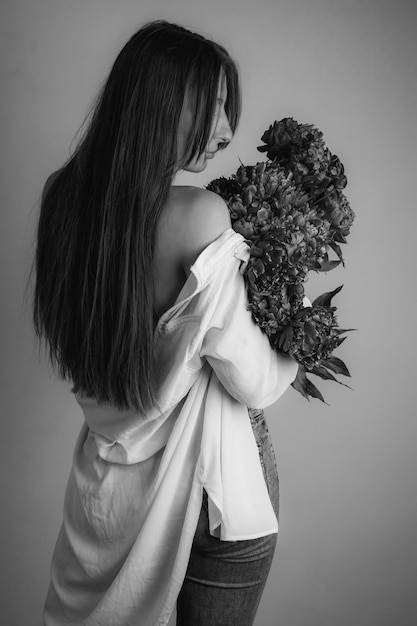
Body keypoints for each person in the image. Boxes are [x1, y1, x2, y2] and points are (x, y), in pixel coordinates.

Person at [33, 20, 298, 626]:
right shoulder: (201, 215)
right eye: (212, 107)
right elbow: (257, 383)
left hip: (107, 499)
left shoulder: (60, 203)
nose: (227, 131)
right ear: (157, 105)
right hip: (215, 489)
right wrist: (299, 322)